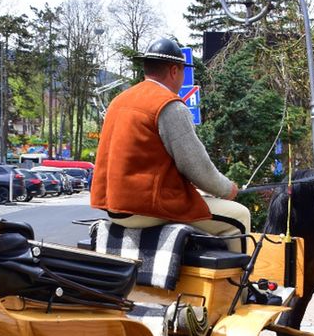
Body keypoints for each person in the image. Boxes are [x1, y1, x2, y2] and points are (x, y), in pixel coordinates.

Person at [91, 37, 250, 252]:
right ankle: (237, 284)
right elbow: (196, 166)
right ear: (175, 70)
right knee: (239, 216)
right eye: (183, 72)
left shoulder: (120, 100)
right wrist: (226, 189)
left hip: (113, 206)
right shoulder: (168, 104)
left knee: (205, 204)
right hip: (145, 208)